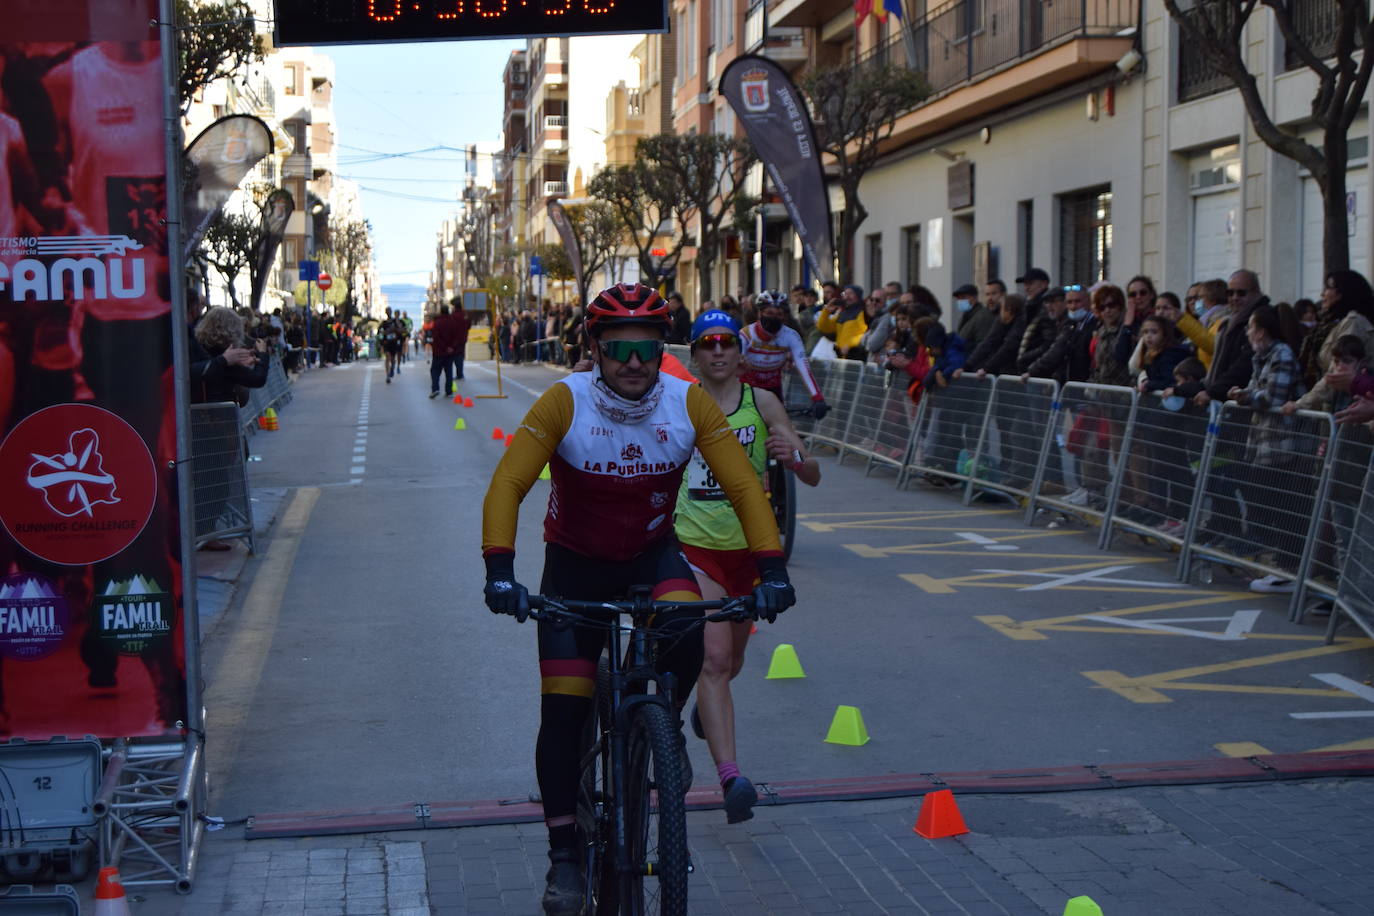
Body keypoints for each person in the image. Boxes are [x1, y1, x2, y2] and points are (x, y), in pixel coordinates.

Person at [480, 282, 796, 916]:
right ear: (596, 349)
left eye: (647, 351)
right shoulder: (565, 401)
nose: (633, 362)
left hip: (654, 557)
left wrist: (771, 570)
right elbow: (509, 484)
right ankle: (564, 855)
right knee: (564, 717)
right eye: (619, 348)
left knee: (687, 626)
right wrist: (500, 570)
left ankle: (664, 728)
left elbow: (743, 485)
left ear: (662, 352)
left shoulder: (688, 404)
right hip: (574, 573)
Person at [676, 310, 820, 825]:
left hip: (750, 553)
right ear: (694, 354)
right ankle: (732, 778)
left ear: (740, 353)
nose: (717, 352)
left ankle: (705, 709)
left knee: (731, 665)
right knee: (714, 661)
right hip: (694, 549)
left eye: (726, 343)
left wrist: (796, 457)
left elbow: (813, 474)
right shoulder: (679, 404)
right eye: (707, 344)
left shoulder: (762, 403)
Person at [1223, 304, 1306, 593]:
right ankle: (1273, 566)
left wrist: (1245, 397)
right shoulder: (1260, 357)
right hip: (1260, 441)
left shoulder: (1281, 354)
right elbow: (1252, 388)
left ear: (1261, 330)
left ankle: (1285, 570)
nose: (1247, 332)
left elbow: (1274, 395)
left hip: (1281, 442)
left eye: (1250, 328)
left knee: (1280, 507)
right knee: (1263, 502)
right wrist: (1241, 393)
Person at [738, 290, 828, 416]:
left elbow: (803, 366)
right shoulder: (746, 335)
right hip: (746, 388)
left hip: (773, 390)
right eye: (769, 313)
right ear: (759, 313)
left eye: (779, 314)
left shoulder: (791, 336)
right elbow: (734, 366)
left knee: (780, 428)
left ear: (784, 316)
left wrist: (817, 398)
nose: (774, 318)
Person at [815, 284, 868, 360]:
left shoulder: (862, 312)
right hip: (841, 355)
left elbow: (864, 333)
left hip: (856, 354)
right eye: (845, 293)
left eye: (851, 293)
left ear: (858, 295)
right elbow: (823, 327)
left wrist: (850, 345)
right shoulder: (842, 313)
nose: (847, 296)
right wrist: (826, 311)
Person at [954, 283, 998, 353]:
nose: (960, 301)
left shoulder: (983, 317)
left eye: (963, 297)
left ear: (974, 298)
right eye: (958, 298)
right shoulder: (966, 316)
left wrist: (963, 345)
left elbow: (983, 346)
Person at [428, 304, 459, 399]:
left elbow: (436, 337)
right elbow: (456, 337)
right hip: (450, 352)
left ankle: (435, 389)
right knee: (449, 371)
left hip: (439, 352)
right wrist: (451, 347)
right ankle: (449, 391)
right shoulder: (453, 322)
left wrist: (444, 347)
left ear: (441, 311)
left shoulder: (437, 323)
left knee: (435, 371)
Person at [379, 307, 404, 382]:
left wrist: (394, 329)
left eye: (389, 311)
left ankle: (393, 368)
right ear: (385, 312)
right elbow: (380, 332)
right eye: (387, 311)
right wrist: (384, 333)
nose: (388, 312)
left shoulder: (395, 321)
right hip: (387, 342)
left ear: (391, 312)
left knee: (393, 359)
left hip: (394, 342)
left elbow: (401, 330)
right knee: (387, 357)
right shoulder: (384, 322)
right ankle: (387, 376)